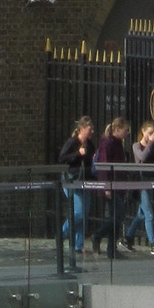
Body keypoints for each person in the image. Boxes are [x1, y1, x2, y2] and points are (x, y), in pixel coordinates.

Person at [120, 121, 154, 254]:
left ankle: (127, 238)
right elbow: (142, 157)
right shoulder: (136, 145)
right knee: (149, 214)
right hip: (142, 181)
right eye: (149, 133)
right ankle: (153, 243)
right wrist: (151, 143)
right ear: (143, 132)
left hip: (151, 181)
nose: (152, 136)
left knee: (141, 214)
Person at [57, 116, 96, 270]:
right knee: (78, 212)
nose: (92, 132)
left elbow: (91, 163)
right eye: (89, 129)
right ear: (82, 129)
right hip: (72, 181)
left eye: (92, 129)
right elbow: (62, 158)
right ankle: (62, 234)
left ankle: (78, 245)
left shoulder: (90, 145)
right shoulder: (72, 142)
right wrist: (77, 154)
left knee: (84, 214)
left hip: (85, 181)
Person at [89, 116, 129, 257]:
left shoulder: (118, 143)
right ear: (117, 129)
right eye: (125, 130)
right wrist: (106, 186)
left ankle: (111, 249)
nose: (127, 133)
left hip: (118, 185)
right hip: (111, 186)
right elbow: (103, 165)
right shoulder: (107, 143)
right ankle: (97, 235)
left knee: (116, 217)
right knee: (118, 216)